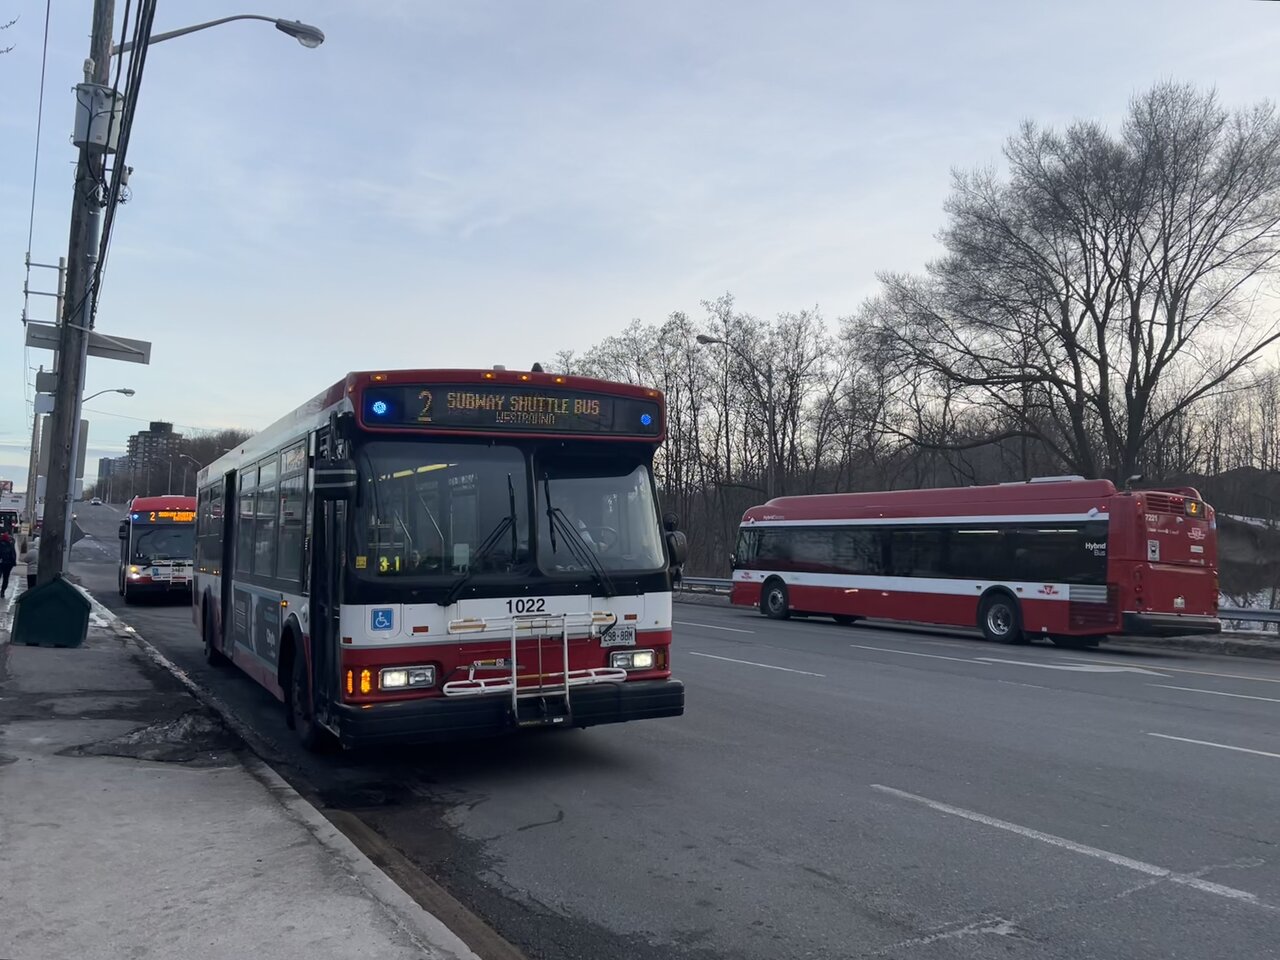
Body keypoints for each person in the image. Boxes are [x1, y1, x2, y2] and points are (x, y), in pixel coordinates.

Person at [0, 533, 16, 597]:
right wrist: (13, 563)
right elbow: (13, 555)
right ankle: (2, 591)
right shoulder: (11, 545)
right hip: (8, 564)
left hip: (1, 563)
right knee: (6, 578)